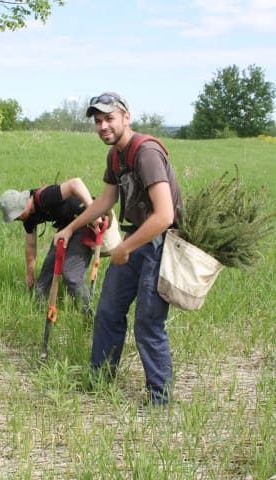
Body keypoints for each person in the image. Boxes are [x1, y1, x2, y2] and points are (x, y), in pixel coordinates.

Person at [54, 92, 183, 405]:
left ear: (127, 117)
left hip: (160, 242)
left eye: (109, 118)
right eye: (98, 121)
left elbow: (164, 216)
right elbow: (105, 201)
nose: (103, 126)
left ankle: (159, 400)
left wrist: (124, 247)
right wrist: (70, 228)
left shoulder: (146, 152)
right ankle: (100, 384)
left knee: (148, 323)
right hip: (137, 238)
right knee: (108, 311)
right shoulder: (115, 156)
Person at [0, 177, 97, 314]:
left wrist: (94, 212)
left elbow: (76, 183)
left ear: (23, 204)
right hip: (66, 227)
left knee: (71, 275)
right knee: (46, 272)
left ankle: (89, 316)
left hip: (86, 222)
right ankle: (37, 311)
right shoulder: (28, 219)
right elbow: (30, 246)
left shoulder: (45, 197)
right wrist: (30, 274)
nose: (16, 219)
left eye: (16, 216)